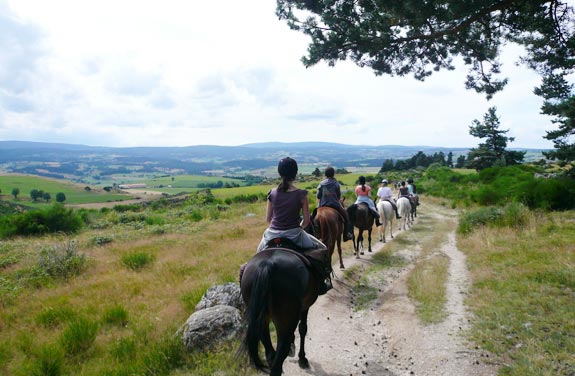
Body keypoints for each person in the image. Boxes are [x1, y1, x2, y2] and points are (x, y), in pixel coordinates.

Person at [255, 157, 332, 294]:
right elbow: (307, 221)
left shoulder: (271, 193)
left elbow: (268, 219)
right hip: (294, 234)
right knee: (322, 248)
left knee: (255, 259)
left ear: (280, 173)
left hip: (271, 234)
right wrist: (299, 228)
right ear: (295, 173)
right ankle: (323, 282)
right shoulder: (302, 194)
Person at [316, 166, 354, 241]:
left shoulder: (321, 184)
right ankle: (346, 235)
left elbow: (318, 195)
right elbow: (338, 196)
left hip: (322, 205)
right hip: (334, 205)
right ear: (333, 174)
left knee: (312, 217)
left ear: (325, 174)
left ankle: (313, 234)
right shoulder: (336, 183)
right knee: (346, 217)